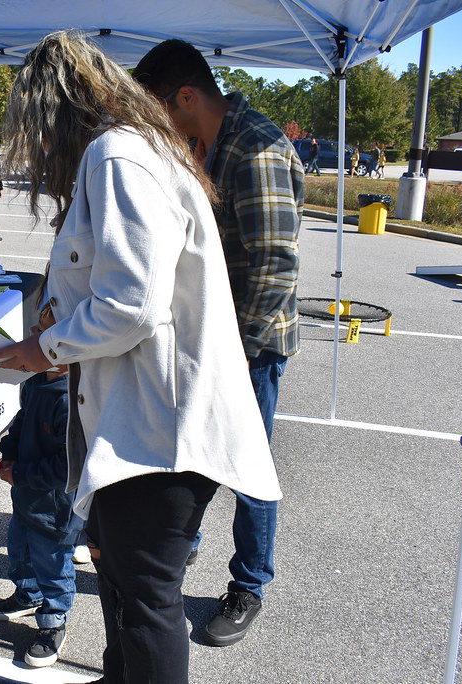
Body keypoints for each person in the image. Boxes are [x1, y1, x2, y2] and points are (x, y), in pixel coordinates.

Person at [0, 31, 282, 683]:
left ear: (61, 109)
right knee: (121, 587)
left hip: (158, 434)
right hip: (142, 426)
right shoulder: (138, 151)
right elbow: (125, 286)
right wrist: (61, 321)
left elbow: (131, 304)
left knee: (145, 604)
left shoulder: (119, 153)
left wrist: (46, 346)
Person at [133, 39, 303, 647]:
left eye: (161, 112)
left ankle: (250, 582)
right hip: (211, 337)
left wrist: (242, 351)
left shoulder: (253, 147)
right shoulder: (206, 142)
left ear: (186, 96)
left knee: (248, 468)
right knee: (194, 451)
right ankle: (186, 546)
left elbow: (275, 264)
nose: (159, 128)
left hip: (249, 344)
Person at [0, 360, 83, 669]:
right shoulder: (36, 380)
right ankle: (29, 594)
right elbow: (22, 420)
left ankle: (54, 619)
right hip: (27, 493)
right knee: (19, 546)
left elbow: (68, 465)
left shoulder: (72, 398)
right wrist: (10, 453)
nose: (33, 333)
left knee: (52, 559)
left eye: (44, 328)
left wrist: (24, 474)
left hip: (55, 503)